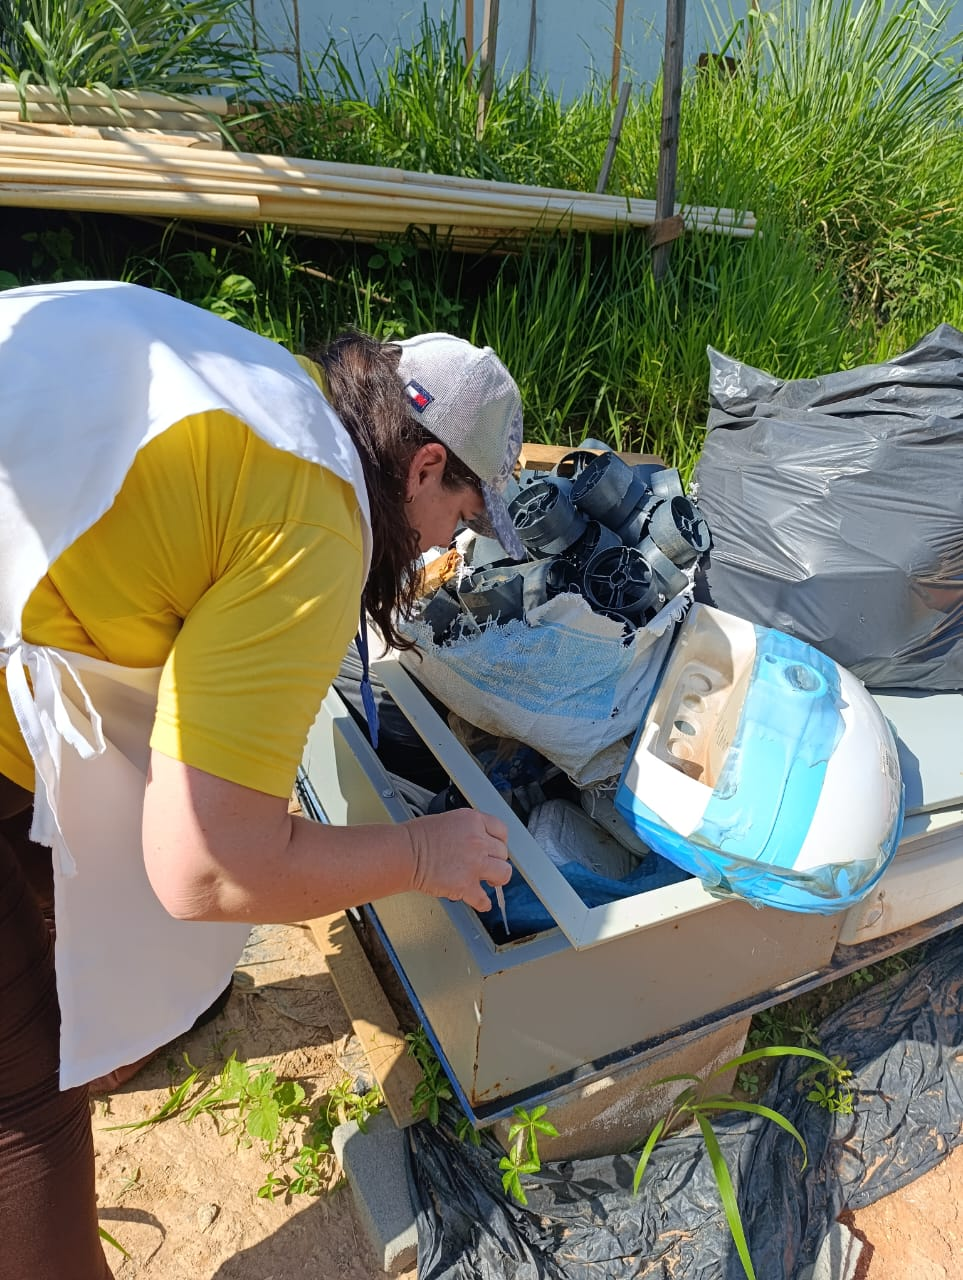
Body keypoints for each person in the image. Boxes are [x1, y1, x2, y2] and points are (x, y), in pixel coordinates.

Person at [0, 279, 524, 1279]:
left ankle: (91, 1021)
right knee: (22, 1106)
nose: (453, 545)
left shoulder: (277, 401)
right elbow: (204, 870)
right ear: (422, 467)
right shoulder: (320, 526)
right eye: (460, 515)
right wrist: (421, 850)